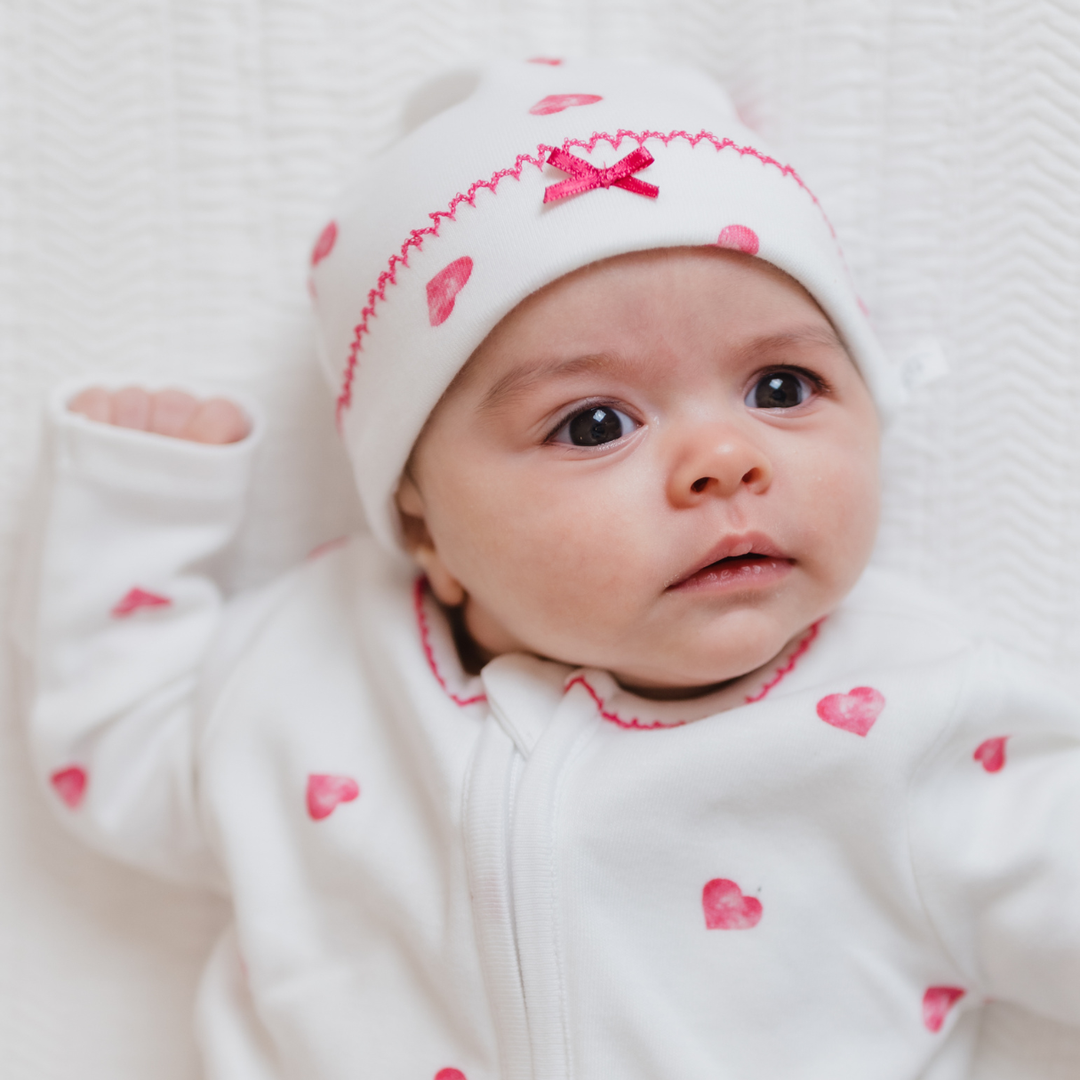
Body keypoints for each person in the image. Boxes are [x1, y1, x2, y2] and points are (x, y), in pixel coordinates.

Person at [15, 58, 1080, 1080]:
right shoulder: (312, 673)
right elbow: (119, 751)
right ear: (424, 525)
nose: (726, 458)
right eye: (594, 423)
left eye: (782, 387)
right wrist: (137, 510)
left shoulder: (917, 727)